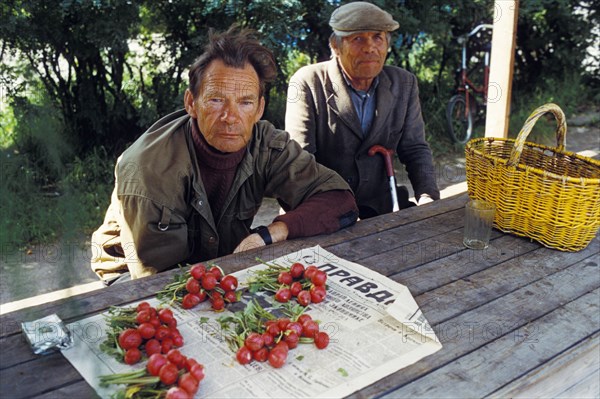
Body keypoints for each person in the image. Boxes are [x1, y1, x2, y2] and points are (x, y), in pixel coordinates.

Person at [91, 25, 358, 283]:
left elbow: (339, 200)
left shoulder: (266, 143)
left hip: (216, 263)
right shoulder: (149, 169)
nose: (230, 118)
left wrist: (270, 233)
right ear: (191, 103)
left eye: (245, 102)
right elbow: (160, 281)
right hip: (132, 276)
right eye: (216, 100)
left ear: (260, 108)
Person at [285, 1, 440, 219]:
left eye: (378, 37)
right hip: (322, 206)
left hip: (382, 205)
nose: (370, 47)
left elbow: (415, 149)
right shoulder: (308, 82)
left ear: (387, 44)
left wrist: (428, 197)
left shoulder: (404, 83)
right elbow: (300, 160)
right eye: (357, 39)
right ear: (335, 46)